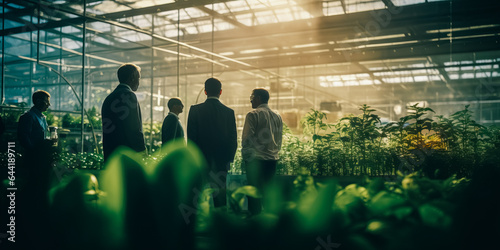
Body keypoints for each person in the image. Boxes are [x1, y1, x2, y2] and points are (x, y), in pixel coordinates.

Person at [187, 78, 237, 207]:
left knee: (198, 197)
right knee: (220, 198)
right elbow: (233, 140)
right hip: (221, 162)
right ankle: (220, 224)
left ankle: (198, 225)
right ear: (220, 92)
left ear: (205, 91)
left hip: (200, 161)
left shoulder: (195, 110)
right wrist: (228, 160)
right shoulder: (229, 113)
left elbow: (191, 139)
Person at [241, 88, 283, 215]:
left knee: (254, 195)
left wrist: (246, 158)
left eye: (251, 97)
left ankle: (255, 225)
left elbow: (247, 139)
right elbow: (279, 139)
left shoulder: (253, 114)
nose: (250, 100)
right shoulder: (277, 116)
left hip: (256, 161)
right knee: (268, 195)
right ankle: (269, 225)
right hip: (272, 161)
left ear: (258, 98)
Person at [101, 63, 147, 161]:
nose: (139, 83)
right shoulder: (129, 96)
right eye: (138, 78)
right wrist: (142, 150)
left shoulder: (109, 98)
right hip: (127, 156)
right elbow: (134, 127)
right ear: (132, 78)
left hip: (111, 155)